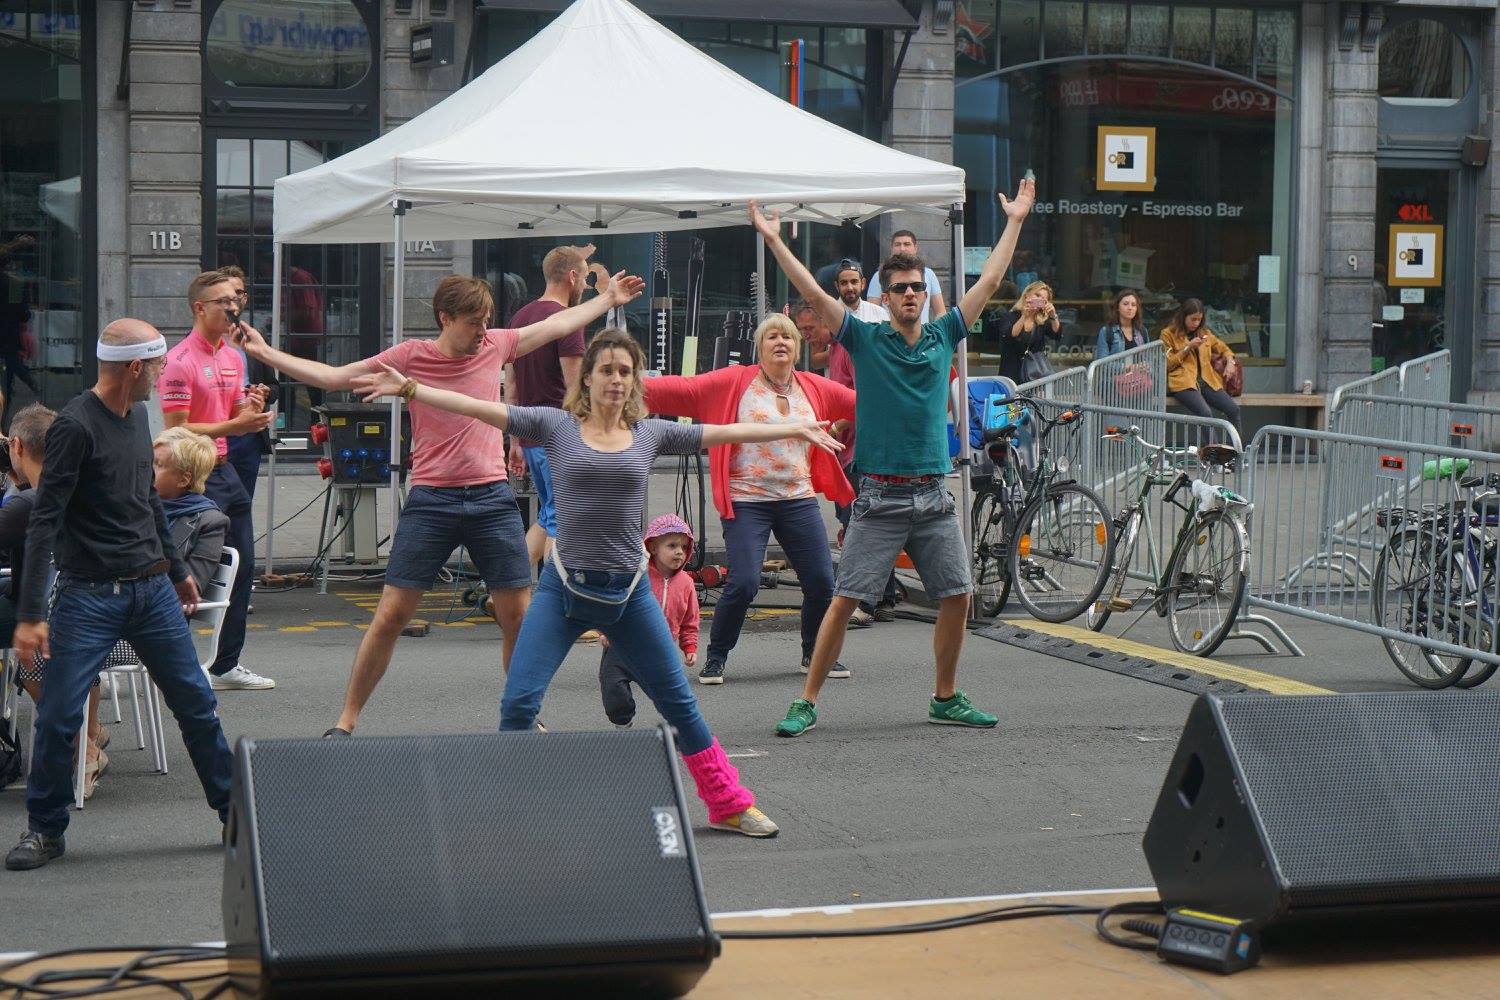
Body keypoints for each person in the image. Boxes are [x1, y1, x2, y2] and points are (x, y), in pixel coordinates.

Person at [353, 328, 843, 837]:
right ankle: (506, 811)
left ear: (635, 381)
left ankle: (727, 803)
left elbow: (725, 431)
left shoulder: (650, 433)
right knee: (519, 702)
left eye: (625, 371)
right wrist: (411, 388)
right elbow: (480, 407)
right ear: (586, 377)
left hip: (629, 594)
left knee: (679, 704)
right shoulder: (556, 426)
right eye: (606, 369)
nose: (615, 379)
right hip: (563, 591)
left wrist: (796, 427)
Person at [235, 272, 645, 737]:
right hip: (432, 500)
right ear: (445, 318)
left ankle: (523, 719)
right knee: (391, 615)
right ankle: (345, 721)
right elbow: (333, 376)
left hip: (491, 498)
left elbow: (556, 325)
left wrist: (608, 298)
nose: (483, 330)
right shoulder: (410, 357)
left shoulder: (496, 345)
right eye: (474, 322)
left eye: (487, 320)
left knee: (518, 616)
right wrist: (265, 353)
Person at [751, 176, 1035, 738]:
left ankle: (945, 696)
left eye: (916, 287)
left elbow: (991, 280)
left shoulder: (943, 335)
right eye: (899, 288)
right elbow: (813, 294)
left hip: (933, 495)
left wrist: (1016, 221)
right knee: (844, 600)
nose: (909, 294)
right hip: (879, 496)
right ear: (884, 297)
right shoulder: (865, 338)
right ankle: (807, 700)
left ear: (925, 294)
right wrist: (775, 240)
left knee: (958, 595)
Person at [5, 319, 235, 871]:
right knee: (59, 716)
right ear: (135, 367)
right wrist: (31, 613)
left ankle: (235, 816)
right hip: (88, 596)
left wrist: (177, 567)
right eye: (157, 366)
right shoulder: (75, 427)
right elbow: (44, 521)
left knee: (197, 705)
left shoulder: (136, 417)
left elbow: (146, 501)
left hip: (152, 590)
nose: (162, 374)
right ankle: (46, 830)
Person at [644, 314, 856, 685]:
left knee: (822, 582)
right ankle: (716, 656)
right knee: (743, 582)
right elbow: (680, 389)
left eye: (787, 337)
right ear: (759, 347)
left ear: (797, 347)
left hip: (798, 497)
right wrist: (618, 381)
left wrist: (917, 388)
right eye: (772, 336)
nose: (780, 342)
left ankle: (814, 654)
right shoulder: (734, 382)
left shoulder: (813, 387)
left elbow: (866, 403)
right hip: (746, 500)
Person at [158, 271, 274, 691]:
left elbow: (236, 412)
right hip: (191, 475)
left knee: (241, 567)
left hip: (224, 470)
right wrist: (236, 425)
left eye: (235, 300)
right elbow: (177, 430)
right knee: (183, 570)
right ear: (199, 308)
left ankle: (225, 665)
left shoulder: (234, 356)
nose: (232, 307)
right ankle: (167, 661)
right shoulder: (178, 361)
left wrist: (252, 408)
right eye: (223, 301)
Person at [0, 404, 110, 798]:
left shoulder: (29, 502)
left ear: (16, 446)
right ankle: (90, 735)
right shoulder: (80, 487)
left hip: (54, 624)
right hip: (100, 616)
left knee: (28, 655)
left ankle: (84, 746)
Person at [504, 245, 593, 567]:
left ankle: (507, 583)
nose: (586, 285)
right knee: (562, 518)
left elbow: (511, 386)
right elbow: (575, 390)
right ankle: (555, 590)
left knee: (548, 514)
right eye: (585, 278)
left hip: (530, 438)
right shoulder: (567, 320)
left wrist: (515, 441)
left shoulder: (519, 319)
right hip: (559, 439)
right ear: (572, 276)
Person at [598, 513, 698, 728]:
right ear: (652, 548)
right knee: (613, 688)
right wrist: (606, 630)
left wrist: (689, 645)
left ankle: (683, 727)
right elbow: (613, 601)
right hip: (621, 644)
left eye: (684, 547)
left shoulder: (686, 583)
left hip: (659, 648)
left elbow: (690, 620)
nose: (679, 552)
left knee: (671, 693)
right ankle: (623, 723)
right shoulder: (636, 575)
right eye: (672, 546)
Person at [217, 265, 278, 503]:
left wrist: (264, 391)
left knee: (243, 505)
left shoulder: (253, 337)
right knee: (214, 507)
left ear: (245, 298)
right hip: (217, 434)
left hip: (249, 437)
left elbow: (274, 387)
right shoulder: (205, 341)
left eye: (238, 294)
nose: (233, 302)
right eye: (227, 295)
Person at [152, 427, 230, 593]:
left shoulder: (210, 523)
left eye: (158, 465)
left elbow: (189, 588)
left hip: (158, 604)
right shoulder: (135, 504)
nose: (148, 470)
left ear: (183, 479)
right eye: (149, 461)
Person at [1160, 298, 1241, 434]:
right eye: (1193, 319)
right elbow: (1167, 364)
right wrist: (1188, 348)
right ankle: (1213, 448)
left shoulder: (1205, 334)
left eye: (1199, 319)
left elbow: (1224, 348)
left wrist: (1230, 362)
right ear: (1184, 316)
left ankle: (1236, 447)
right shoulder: (1168, 334)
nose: (1196, 323)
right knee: (1205, 413)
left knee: (1233, 409)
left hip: (1207, 381)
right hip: (1183, 383)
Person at [865, 230, 948, 325]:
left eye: (907, 244)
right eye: (897, 244)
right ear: (892, 248)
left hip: (922, 332)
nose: (902, 249)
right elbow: (871, 313)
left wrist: (936, 332)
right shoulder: (879, 275)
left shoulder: (929, 274)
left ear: (915, 248)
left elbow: (940, 312)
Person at [0, 234, 41, 421]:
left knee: (11, 365)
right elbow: (23, 313)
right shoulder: (14, 284)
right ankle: (3, 419)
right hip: (8, 334)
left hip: (8, 334)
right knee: (8, 377)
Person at [998, 281, 1062, 383]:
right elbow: (1011, 334)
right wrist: (1024, 315)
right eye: (1037, 295)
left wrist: (1053, 315)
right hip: (1011, 374)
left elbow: (1056, 334)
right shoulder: (1009, 316)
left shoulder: (1041, 321)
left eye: (1043, 300)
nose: (1039, 300)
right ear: (1027, 295)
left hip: (1034, 376)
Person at [1095, 288, 1145, 359]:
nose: (1130, 308)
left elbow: (1148, 357)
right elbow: (1102, 362)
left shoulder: (1142, 330)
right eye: (1126, 304)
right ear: (1117, 307)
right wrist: (1126, 366)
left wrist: (1145, 364)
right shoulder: (1106, 331)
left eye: (1133, 305)